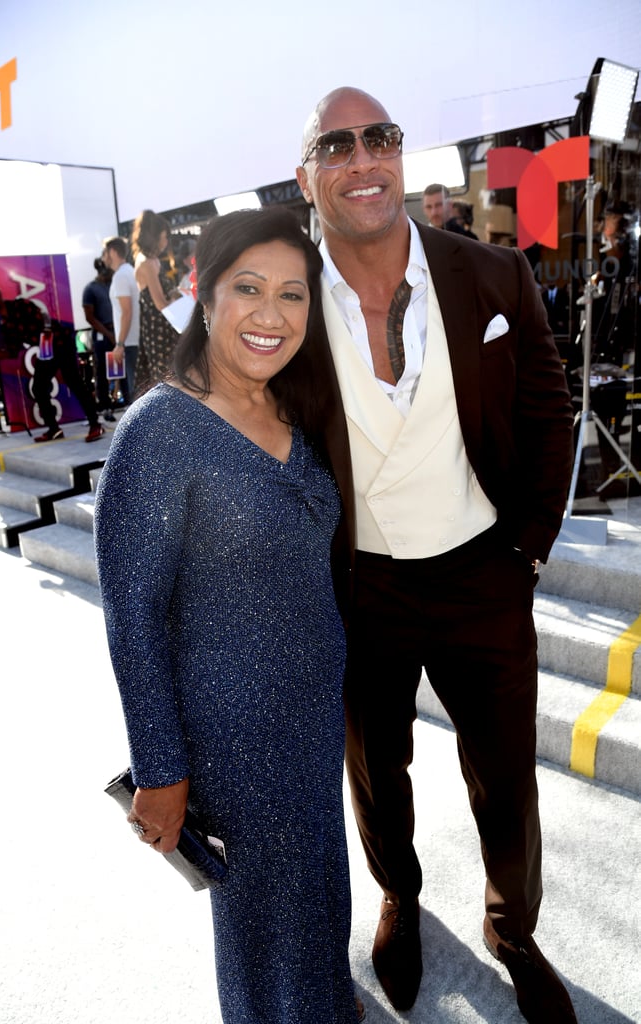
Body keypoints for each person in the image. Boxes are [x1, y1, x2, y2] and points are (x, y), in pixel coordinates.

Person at [296, 87, 576, 1024]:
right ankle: (400, 898)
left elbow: (547, 412)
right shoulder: (284, 298)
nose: (364, 157)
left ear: (403, 157)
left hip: (482, 573)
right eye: (338, 144)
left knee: (506, 773)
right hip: (358, 584)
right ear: (310, 175)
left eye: (381, 138)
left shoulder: (491, 276)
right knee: (378, 770)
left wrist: (527, 551)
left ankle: (514, 928)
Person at [94, 208, 363, 1024]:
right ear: (204, 295)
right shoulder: (159, 433)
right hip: (234, 742)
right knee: (260, 936)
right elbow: (132, 617)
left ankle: (322, 1001)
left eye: (292, 294)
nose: (272, 313)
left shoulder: (293, 409)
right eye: (248, 289)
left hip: (313, 720)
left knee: (315, 896)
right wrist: (160, 770)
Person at [0, 284, 105, 443]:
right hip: (47, 352)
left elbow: (44, 316)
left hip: (60, 342)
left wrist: (46, 331)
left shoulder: (20, 304)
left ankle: (95, 424)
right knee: (38, 387)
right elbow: (12, 352)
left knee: (74, 382)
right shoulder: (6, 324)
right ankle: (54, 429)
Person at [131, 209, 180, 391]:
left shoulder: (150, 261)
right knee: (166, 380)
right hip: (159, 331)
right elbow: (160, 304)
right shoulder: (147, 263)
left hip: (160, 329)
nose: (166, 242)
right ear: (155, 236)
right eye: (164, 236)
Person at [102, 236, 140, 403]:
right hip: (135, 339)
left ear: (112, 252)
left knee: (136, 393)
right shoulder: (129, 272)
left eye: (104, 252)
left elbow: (126, 312)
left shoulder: (121, 276)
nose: (103, 257)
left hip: (130, 342)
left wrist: (120, 344)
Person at [82, 257, 116, 420]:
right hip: (102, 334)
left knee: (119, 369)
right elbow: (90, 317)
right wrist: (108, 334)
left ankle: (121, 401)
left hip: (117, 332)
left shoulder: (113, 285)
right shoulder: (91, 289)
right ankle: (105, 405)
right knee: (102, 371)